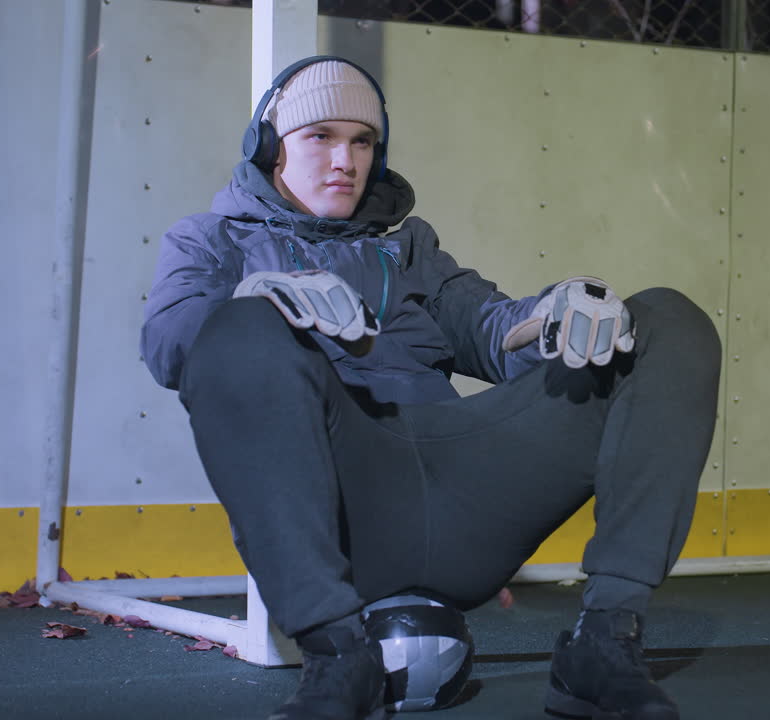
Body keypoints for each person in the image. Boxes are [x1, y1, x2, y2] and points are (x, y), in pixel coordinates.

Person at [141, 55, 721, 720]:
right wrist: (255, 297)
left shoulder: (407, 250)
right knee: (239, 331)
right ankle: (337, 657)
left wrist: (557, 311)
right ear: (271, 149)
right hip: (350, 503)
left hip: (469, 495)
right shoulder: (211, 242)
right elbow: (169, 344)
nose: (345, 160)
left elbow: (491, 327)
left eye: (362, 141)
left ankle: (606, 638)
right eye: (320, 137)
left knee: (666, 320)